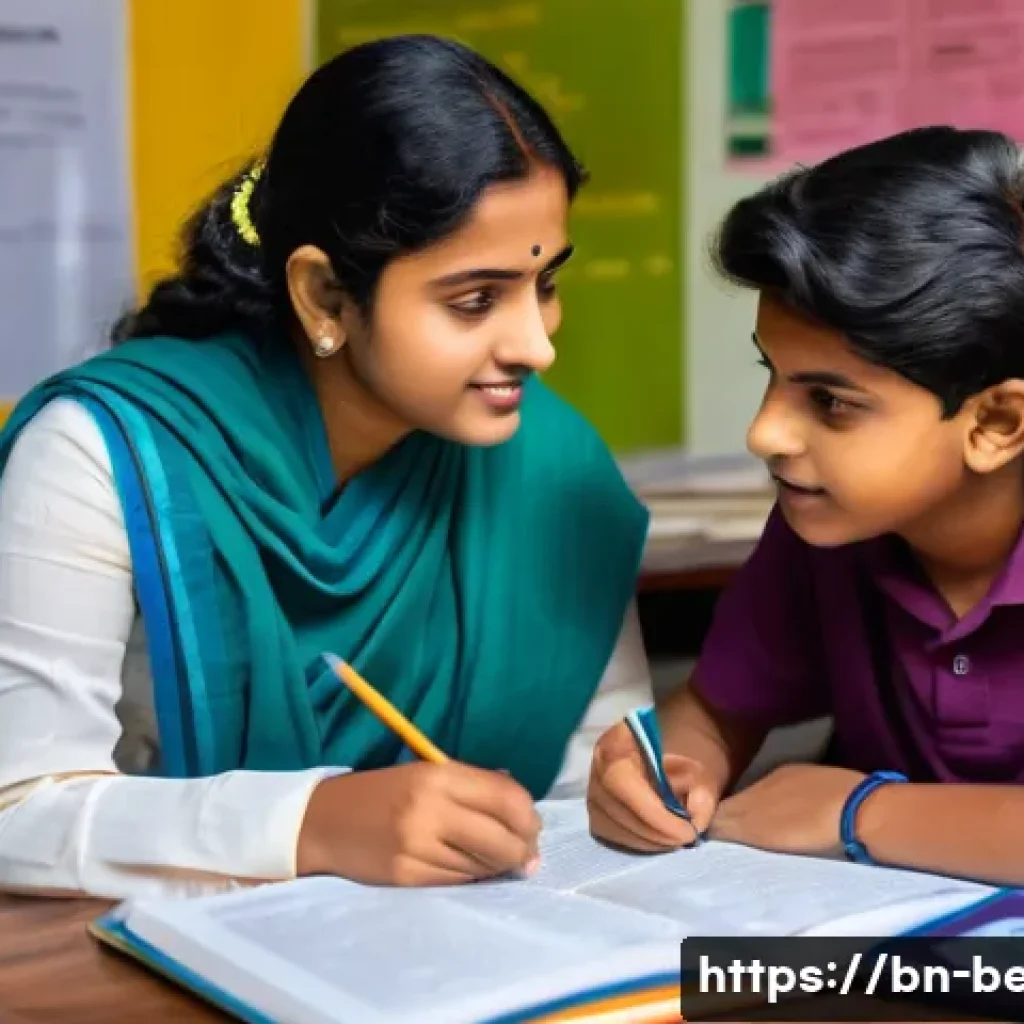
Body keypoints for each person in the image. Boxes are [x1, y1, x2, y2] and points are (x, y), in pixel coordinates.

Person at [0, 34, 654, 900]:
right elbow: (18, 811)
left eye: (545, 285)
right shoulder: (110, 451)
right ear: (322, 294)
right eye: (474, 301)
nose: (536, 344)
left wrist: (638, 792)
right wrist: (308, 825)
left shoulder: (554, 469)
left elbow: (593, 785)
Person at [588, 125, 1024, 887]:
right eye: (773, 374)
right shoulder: (827, 527)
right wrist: (668, 769)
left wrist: (860, 814)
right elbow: (718, 708)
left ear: (996, 424)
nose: (764, 433)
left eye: (830, 400)